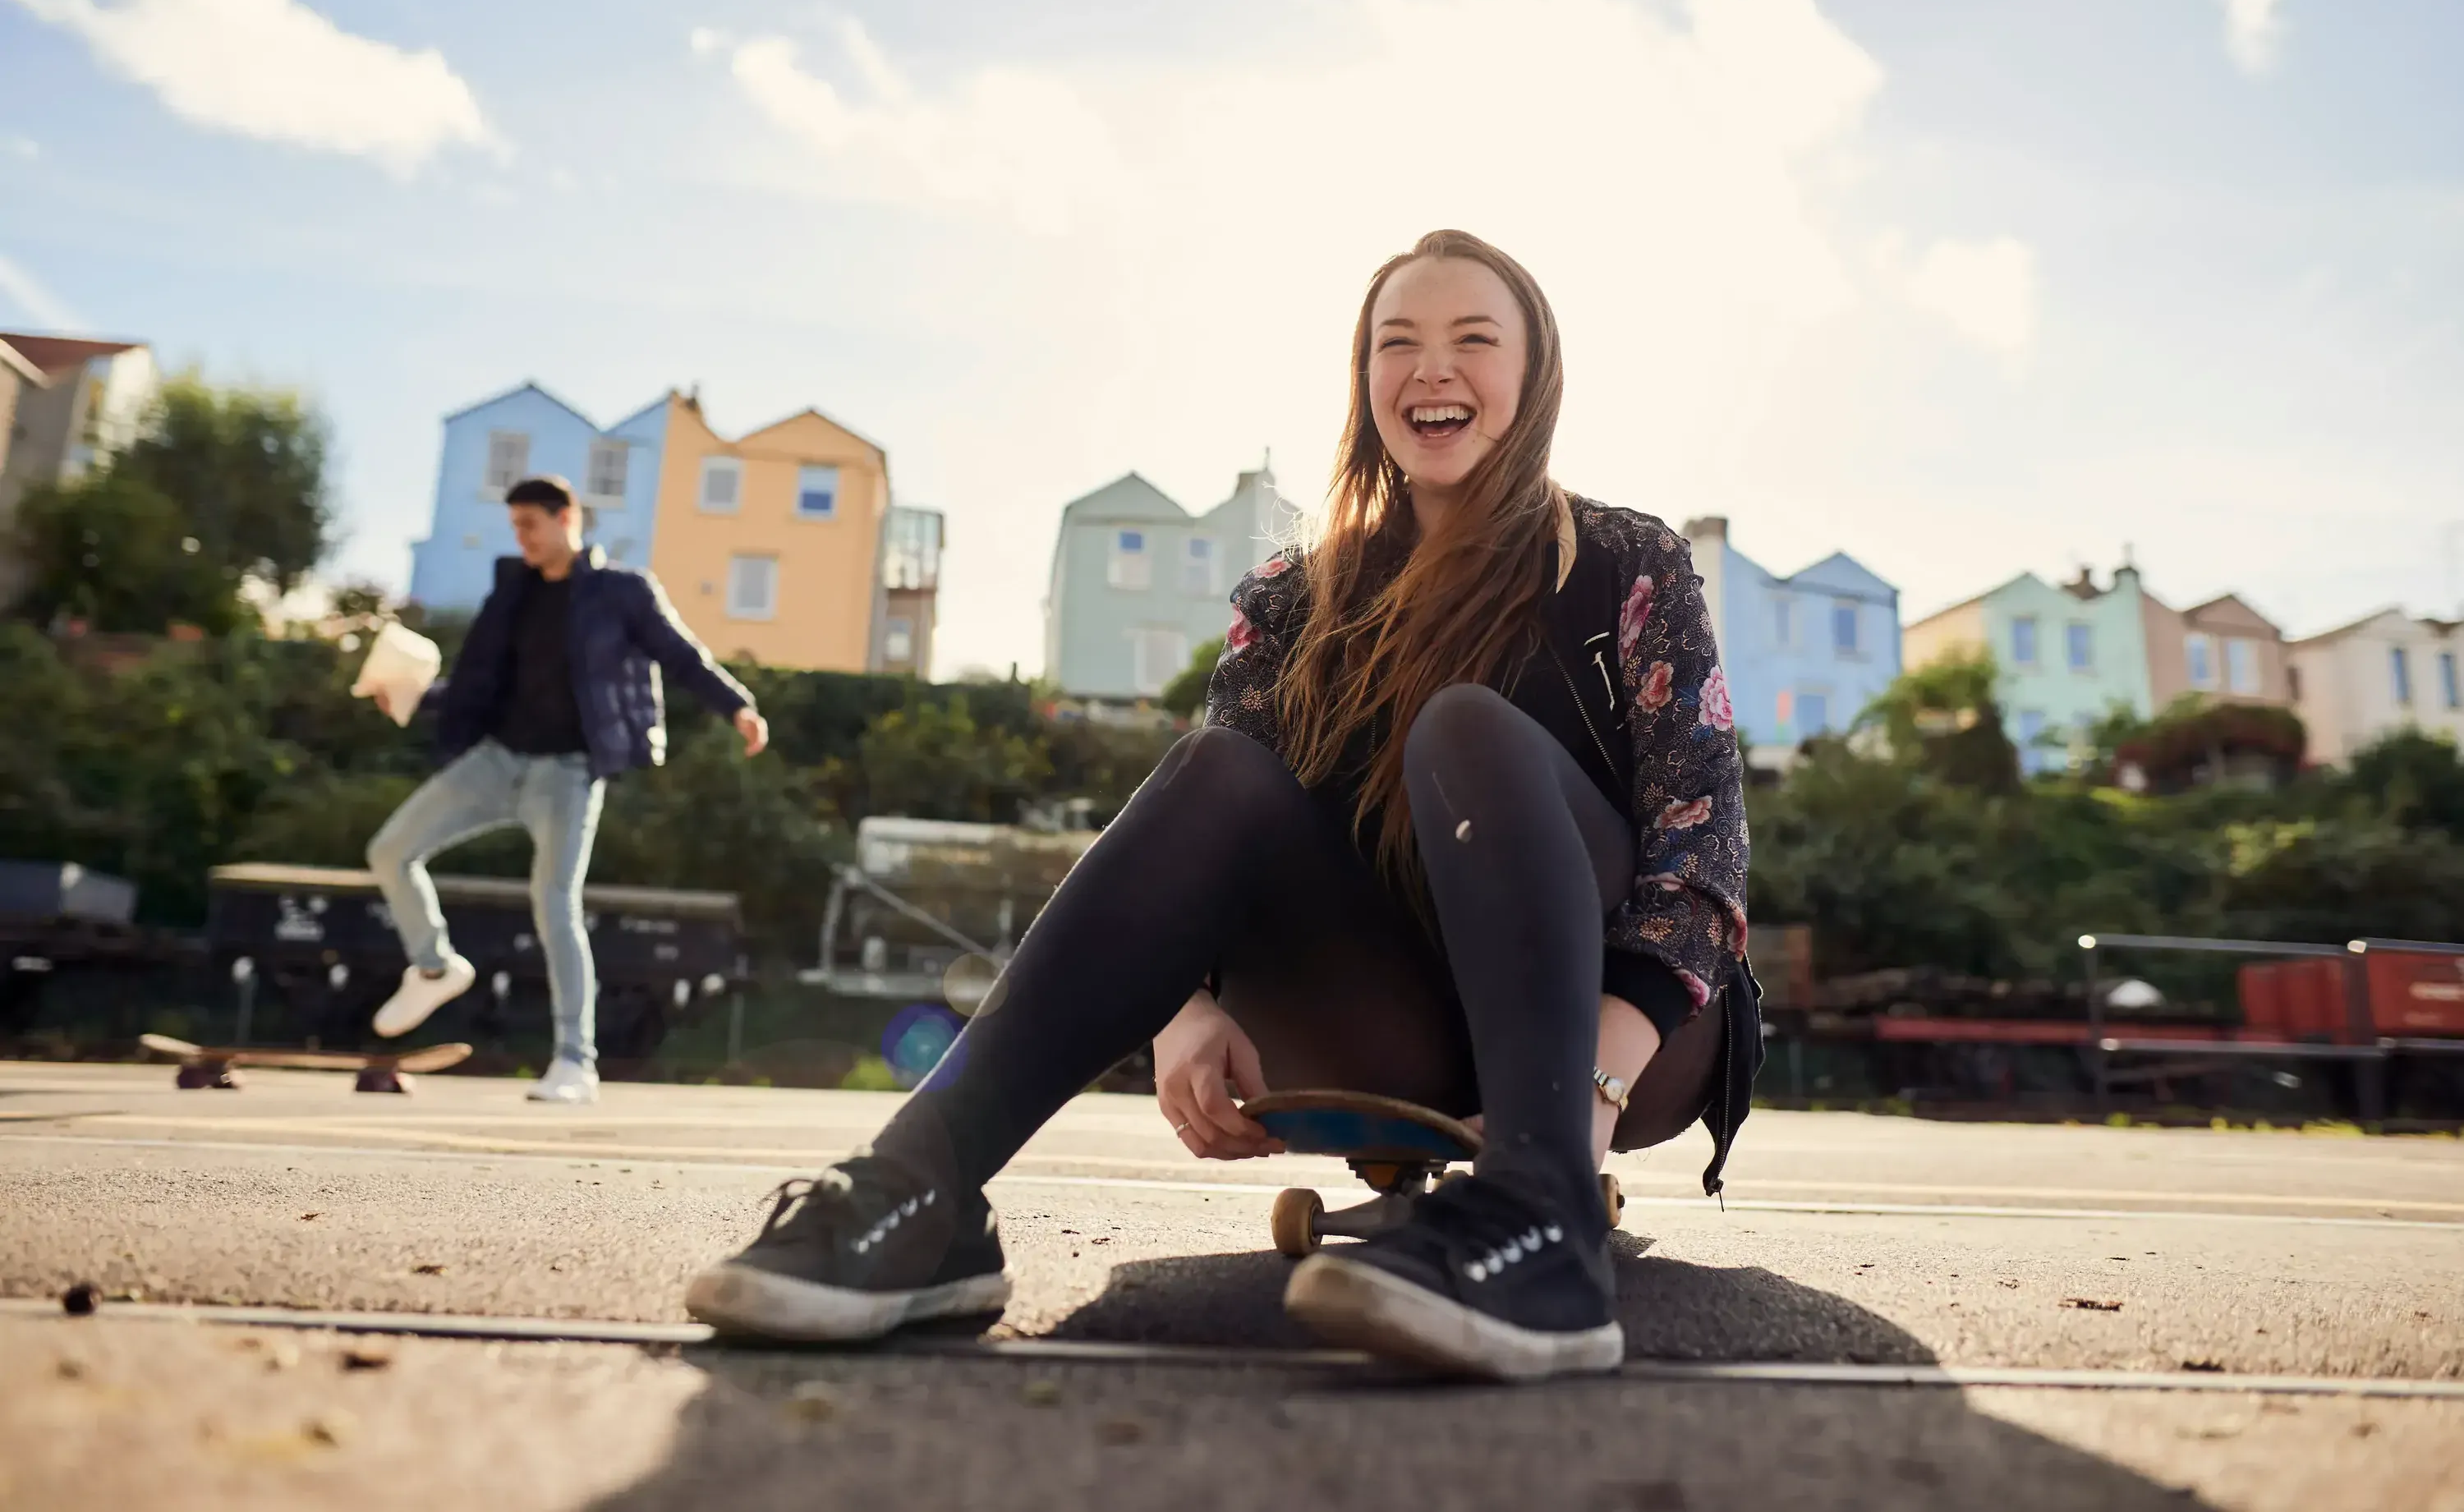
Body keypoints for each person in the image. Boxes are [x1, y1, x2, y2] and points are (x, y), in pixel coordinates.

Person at [686, 230, 1760, 1381]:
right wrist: (1188, 1005)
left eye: (1472, 341)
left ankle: (1543, 1229)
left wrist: (1584, 1093)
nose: (1431, 369)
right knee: (1217, 763)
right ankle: (922, 1187)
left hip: (1634, 1035)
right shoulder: (1299, 596)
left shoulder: (1625, 561)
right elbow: (1211, 834)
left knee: (1467, 728)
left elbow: (1704, 859)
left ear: (1533, 376)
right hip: (1388, 1018)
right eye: (1396, 344)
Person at [363, 473, 769, 1104]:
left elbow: (680, 653)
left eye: (530, 524)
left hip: (568, 772)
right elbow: (482, 685)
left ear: (566, 519)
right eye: (515, 526)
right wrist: (414, 699)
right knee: (390, 850)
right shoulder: (513, 593)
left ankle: (575, 1062)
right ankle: (436, 966)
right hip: (499, 761)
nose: (521, 537)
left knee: (554, 906)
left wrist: (737, 706)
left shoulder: (620, 592)